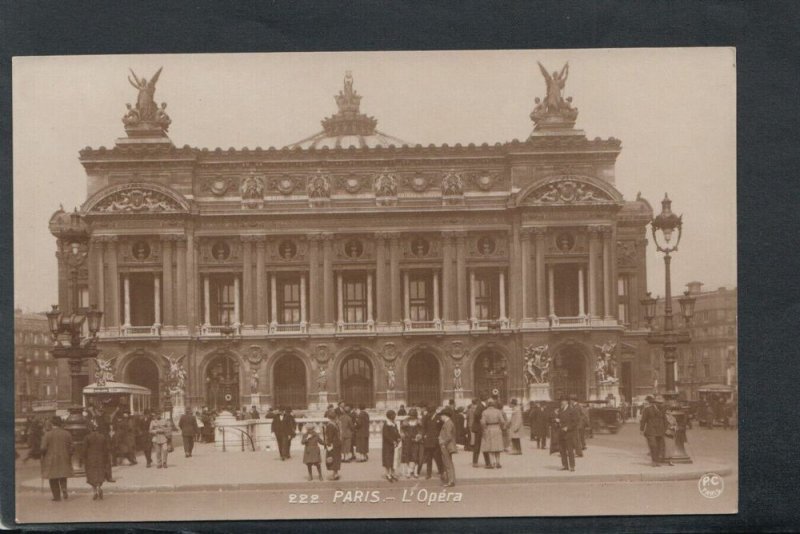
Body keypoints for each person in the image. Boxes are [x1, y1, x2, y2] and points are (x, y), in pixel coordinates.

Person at [40, 416, 73, 501]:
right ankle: (64, 489)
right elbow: (72, 447)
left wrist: (42, 454)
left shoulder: (47, 434)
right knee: (62, 475)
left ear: (52, 424)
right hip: (64, 457)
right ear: (60, 423)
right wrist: (69, 455)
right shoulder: (67, 433)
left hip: (51, 459)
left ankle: (57, 496)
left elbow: (43, 448)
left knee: (53, 478)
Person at [640, 395, 673, 467]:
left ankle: (657, 461)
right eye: (659, 403)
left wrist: (666, 429)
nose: (661, 404)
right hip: (650, 430)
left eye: (661, 403)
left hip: (660, 431)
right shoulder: (647, 409)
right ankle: (654, 461)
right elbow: (643, 420)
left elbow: (665, 420)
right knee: (653, 445)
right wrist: (641, 429)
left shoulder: (663, 410)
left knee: (659, 446)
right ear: (655, 403)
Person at [83, 422, 110, 500]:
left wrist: (83, 457)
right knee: (99, 474)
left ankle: (94, 490)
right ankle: (99, 487)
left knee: (91, 475)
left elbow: (84, 450)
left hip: (90, 459)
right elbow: (106, 449)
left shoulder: (87, 437)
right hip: (100, 458)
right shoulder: (102, 437)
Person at [480, 398, 507, 468]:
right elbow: (503, 421)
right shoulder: (498, 411)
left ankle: (492, 463)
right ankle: (498, 462)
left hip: (489, 429)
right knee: (497, 446)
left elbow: (483, 422)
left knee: (490, 446)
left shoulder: (484, 412)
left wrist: (484, 428)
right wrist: (500, 426)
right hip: (497, 428)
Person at [556, 395, 579, 472]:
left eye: (563, 401)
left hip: (568, 433)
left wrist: (568, 428)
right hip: (561, 432)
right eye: (561, 401)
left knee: (570, 450)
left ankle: (572, 466)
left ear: (566, 402)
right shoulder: (560, 410)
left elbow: (575, 422)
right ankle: (565, 465)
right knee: (562, 450)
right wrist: (557, 420)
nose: (561, 402)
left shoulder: (572, 410)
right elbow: (559, 419)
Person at [420, 404, 444, 479]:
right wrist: (423, 436)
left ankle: (441, 472)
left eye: (430, 411)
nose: (429, 413)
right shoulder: (426, 418)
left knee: (438, 458)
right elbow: (423, 428)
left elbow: (442, 429)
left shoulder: (439, 418)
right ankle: (428, 473)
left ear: (434, 411)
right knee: (428, 458)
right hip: (428, 441)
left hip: (436, 441)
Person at [400, 408, 423, 478]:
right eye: (411, 415)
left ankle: (415, 472)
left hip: (415, 441)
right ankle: (408, 472)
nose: (412, 417)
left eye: (413, 415)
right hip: (407, 441)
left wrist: (418, 436)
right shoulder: (405, 422)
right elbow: (402, 430)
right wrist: (403, 434)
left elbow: (421, 431)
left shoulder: (418, 422)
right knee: (407, 456)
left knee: (415, 457)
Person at [438, 407, 457, 487]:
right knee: (448, 463)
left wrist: (443, 442)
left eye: (441, 416)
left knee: (447, 463)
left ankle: (450, 481)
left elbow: (448, 436)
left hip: (446, 446)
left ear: (445, 416)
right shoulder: (449, 423)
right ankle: (451, 480)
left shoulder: (448, 424)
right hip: (447, 445)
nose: (440, 417)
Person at [471, 397, 491, 468]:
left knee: (479, 445)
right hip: (479, 428)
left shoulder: (482, 406)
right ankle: (479, 462)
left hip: (479, 428)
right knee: (479, 445)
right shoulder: (480, 406)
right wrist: (481, 420)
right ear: (486, 399)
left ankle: (478, 461)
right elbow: (476, 414)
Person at [382, 410, 401, 482]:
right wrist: (392, 441)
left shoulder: (394, 424)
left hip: (394, 445)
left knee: (394, 459)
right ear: (390, 416)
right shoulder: (386, 424)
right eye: (393, 415)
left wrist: (399, 438)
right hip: (387, 445)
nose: (395, 416)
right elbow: (386, 435)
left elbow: (397, 432)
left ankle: (393, 473)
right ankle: (388, 474)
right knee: (388, 460)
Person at [323, 410, 341, 480]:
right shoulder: (335, 424)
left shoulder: (330, 425)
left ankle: (335, 474)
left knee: (332, 458)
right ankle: (336, 473)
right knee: (336, 458)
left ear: (328, 417)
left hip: (332, 444)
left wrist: (328, 444)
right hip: (337, 443)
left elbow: (329, 436)